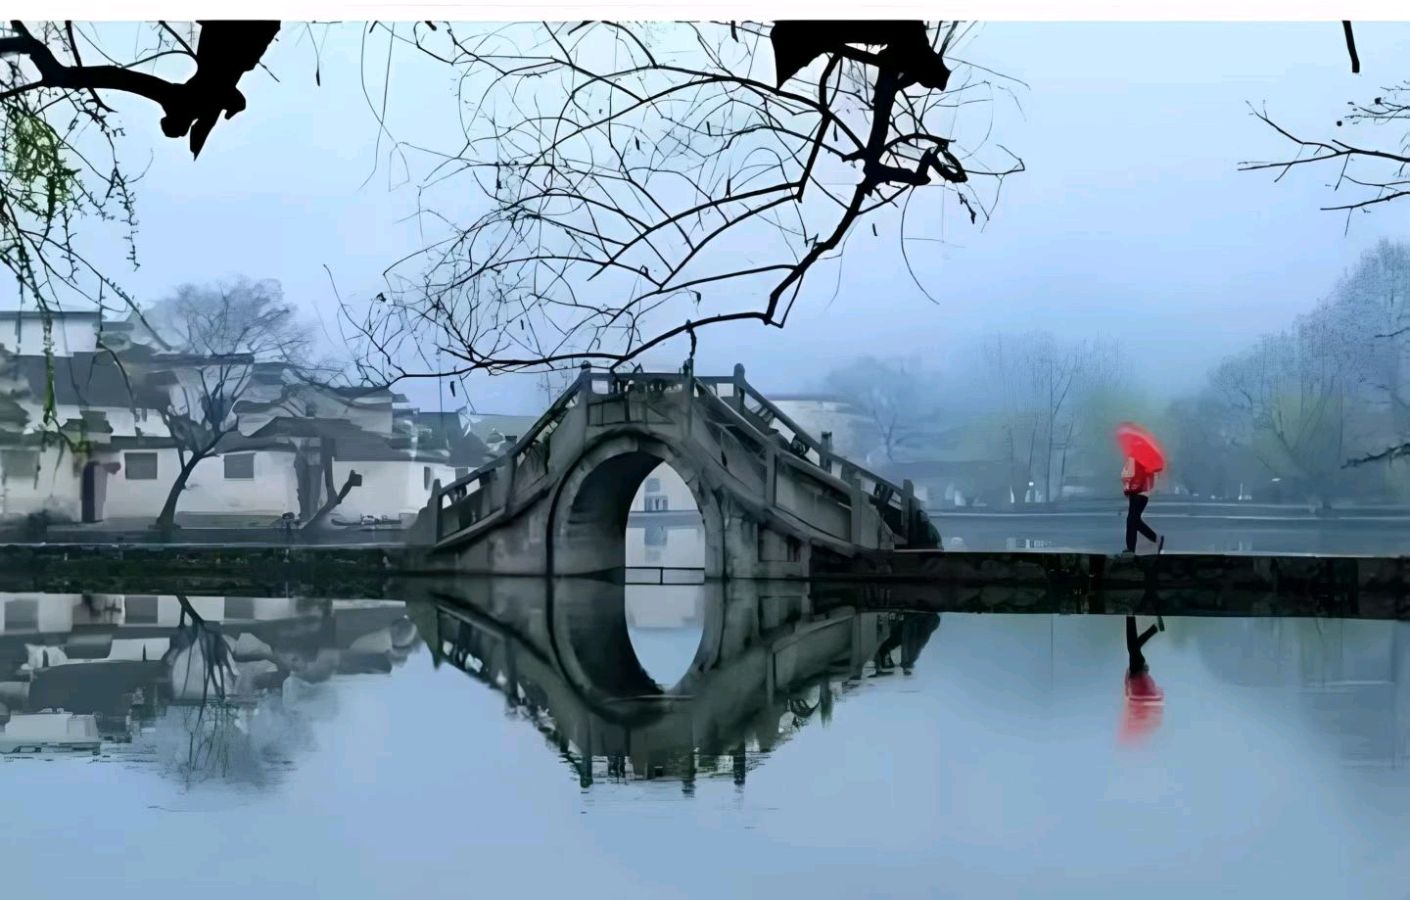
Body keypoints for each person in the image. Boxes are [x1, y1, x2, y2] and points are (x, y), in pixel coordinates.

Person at [1121, 456, 1164, 555]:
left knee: (1132, 520)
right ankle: (1155, 539)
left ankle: (1131, 548)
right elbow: (1153, 476)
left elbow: (1127, 473)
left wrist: (1124, 476)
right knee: (1134, 520)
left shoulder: (1133, 458)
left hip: (1136, 492)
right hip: (1144, 494)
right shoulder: (1148, 460)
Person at [1124, 614, 1165, 703]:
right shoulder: (1139, 698)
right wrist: (1143, 672)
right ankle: (1130, 616)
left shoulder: (1133, 698)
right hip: (1137, 670)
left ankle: (1154, 628)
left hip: (1135, 670)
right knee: (1132, 646)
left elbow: (1127, 685)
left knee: (1134, 646)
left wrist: (1128, 674)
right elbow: (1131, 685)